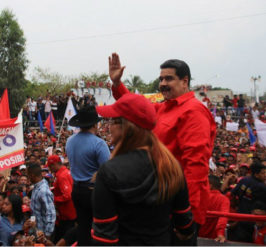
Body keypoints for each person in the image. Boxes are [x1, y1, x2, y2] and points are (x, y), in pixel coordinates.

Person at [108, 53, 216, 240]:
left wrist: (185, 214)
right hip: (160, 202)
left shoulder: (194, 111)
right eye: (161, 79)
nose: (163, 83)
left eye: (169, 78)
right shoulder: (164, 107)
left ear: (185, 81)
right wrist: (117, 84)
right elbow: (136, 106)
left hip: (177, 208)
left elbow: (196, 166)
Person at [91, 93, 195, 245]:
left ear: (125, 126)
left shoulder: (109, 171)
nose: (108, 127)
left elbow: (104, 238)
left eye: (112, 121)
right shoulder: (171, 165)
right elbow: (185, 224)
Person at [66, 106, 110, 246]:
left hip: (77, 190)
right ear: (95, 124)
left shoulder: (69, 141)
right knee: (100, 227)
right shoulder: (99, 143)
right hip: (93, 191)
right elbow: (107, 171)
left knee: (83, 227)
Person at [229, 160, 266, 242]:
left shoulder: (244, 180)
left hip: (240, 217)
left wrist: (238, 205)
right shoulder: (262, 187)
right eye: (263, 173)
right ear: (256, 174)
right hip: (253, 221)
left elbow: (233, 194)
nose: (265, 175)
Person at [46, 155, 77, 243]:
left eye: (50, 166)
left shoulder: (62, 176)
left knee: (66, 239)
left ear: (54, 164)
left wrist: (54, 199)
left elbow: (67, 195)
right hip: (69, 212)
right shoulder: (66, 172)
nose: (49, 168)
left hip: (67, 214)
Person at [27, 163, 56, 238]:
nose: (28, 178)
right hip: (37, 231)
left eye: (28, 175)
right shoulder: (36, 188)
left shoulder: (43, 191)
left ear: (32, 175)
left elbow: (51, 213)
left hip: (43, 234)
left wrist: (47, 234)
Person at [198, 175, 230, 243]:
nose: (201, 186)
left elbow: (223, 216)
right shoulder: (224, 199)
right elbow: (223, 216)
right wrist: (220, 233)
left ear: (210, 185)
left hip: (198, 236)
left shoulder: (199, 196)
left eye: (204, 184)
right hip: (214, 239)